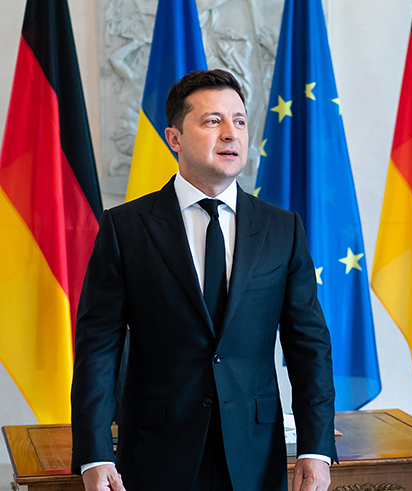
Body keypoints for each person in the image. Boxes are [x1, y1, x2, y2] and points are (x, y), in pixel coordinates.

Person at [71, 69, 336, 491]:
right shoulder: (126, 228)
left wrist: (315, 448)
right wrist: (95, 453)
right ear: (174, 138)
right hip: (156, 454)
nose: (231, 133)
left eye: (239, 120)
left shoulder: (282, 229)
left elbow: (310, 347)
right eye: (213, 121)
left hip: (254, 455)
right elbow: (97, 348)